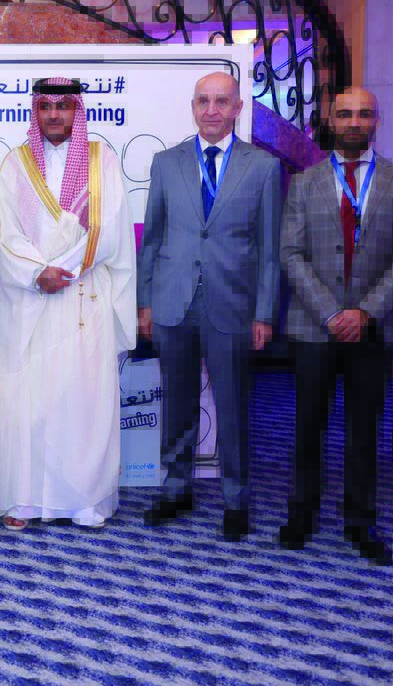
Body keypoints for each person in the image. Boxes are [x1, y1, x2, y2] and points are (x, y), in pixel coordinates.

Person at [277, 88, 393, 565]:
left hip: (373, 329)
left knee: (364, 429)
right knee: (308, 427)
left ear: (377, 120)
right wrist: (331, 313)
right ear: (331, 120)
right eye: (345, 114)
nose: (354, 122)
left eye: (363, 114)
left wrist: (365, 312)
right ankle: (302, 513)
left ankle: (360, 521)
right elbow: (291, 255)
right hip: (315, 326)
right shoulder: (304, 183)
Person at [137, 71, 282, 541]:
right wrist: (145, 303)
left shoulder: (262, 168)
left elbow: (269, 249)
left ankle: (236, 498)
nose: (212, 110)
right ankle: (176, 487)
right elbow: (153, 240)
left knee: (233, 407)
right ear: (193, 107)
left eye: (222, 101)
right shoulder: (165, 163)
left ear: (239, 108)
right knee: (176, 401)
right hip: (173, 305)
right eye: (203, 101)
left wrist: (263, 312)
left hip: (233, 306)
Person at [0, 77, 137, 531]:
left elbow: (109, 228)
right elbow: (5, 233)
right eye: (46, 106)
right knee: (28, 402)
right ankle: (26, 499)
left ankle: (84, 499)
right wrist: (38, 272)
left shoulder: (102, 160)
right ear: (35, 112)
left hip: (81, 299)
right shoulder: (15, 164)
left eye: (63, 105)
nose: (54, 114)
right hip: (31, 300)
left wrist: (65, 268)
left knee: (83, 401)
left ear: (77, 110)